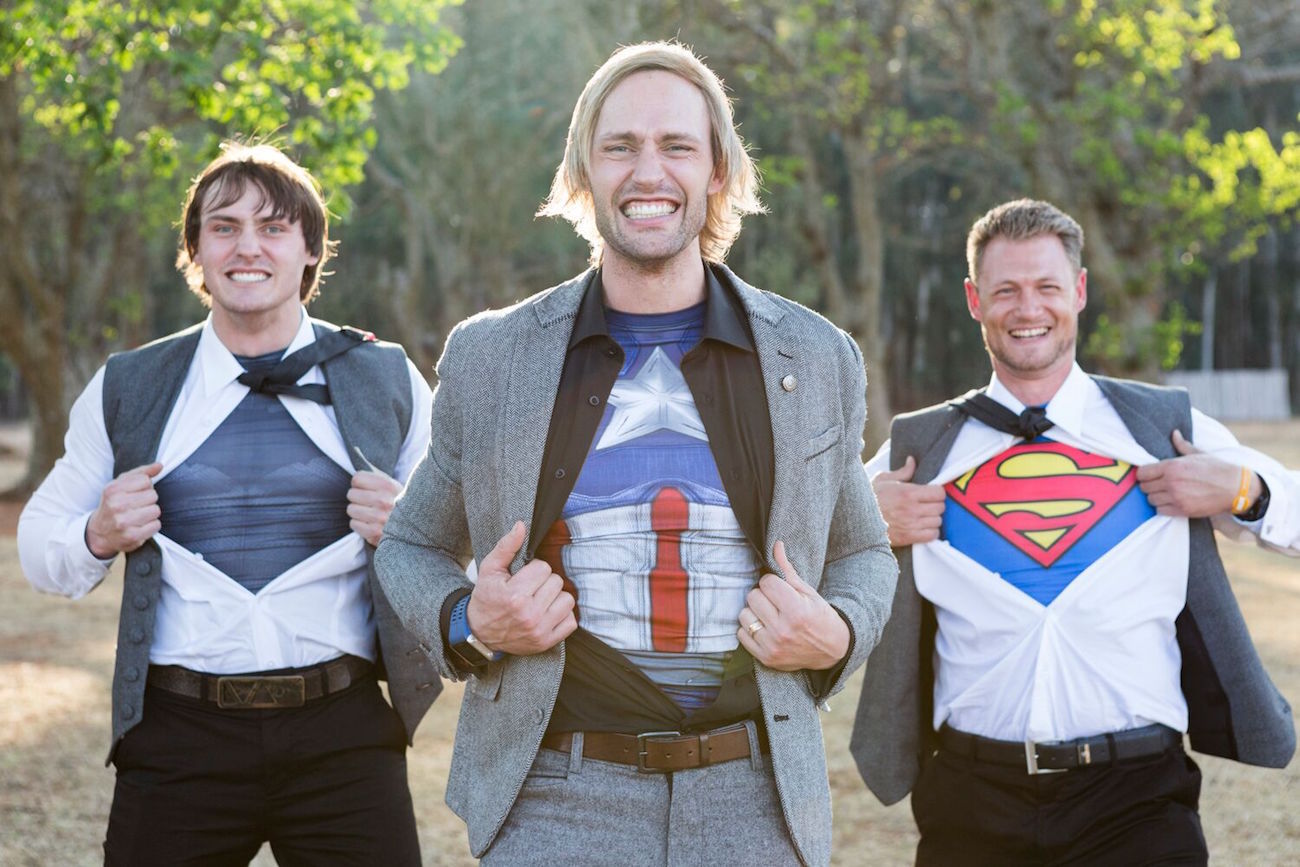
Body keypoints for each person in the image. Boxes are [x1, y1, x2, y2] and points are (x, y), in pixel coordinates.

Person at [374, 41, 897, 867]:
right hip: (554, 797)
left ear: (719, 170)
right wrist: (467, 617)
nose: (647, 172)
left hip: (756, 802)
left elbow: (864, 550)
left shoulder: (816, 353)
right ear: (583, 169)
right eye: (620, 146)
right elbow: (410, 544)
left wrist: (838, 631)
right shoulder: (493, 356)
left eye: (676, 146)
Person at [18, 141, 439, 865]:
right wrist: (96, 530)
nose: (249, 247)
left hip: (343, 737)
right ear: (195, 252)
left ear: (311, 250)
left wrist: (406, 523)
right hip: (179, 740)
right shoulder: (130, 386)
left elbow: (455, 542)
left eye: (273, 227)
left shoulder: (387, 376)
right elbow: (37, 542)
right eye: (224, 227)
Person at [850, 198, 1298, 865]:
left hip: (1138, 801)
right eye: (1006, 290)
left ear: (1079, 291)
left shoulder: (1163, 427)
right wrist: (863, 525)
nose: (1027, 308)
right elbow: (803, 557)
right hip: (972, 800)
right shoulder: (919, 447)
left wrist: (1241, 488)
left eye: (1046, 287)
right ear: (975, 300)